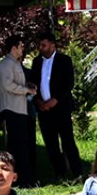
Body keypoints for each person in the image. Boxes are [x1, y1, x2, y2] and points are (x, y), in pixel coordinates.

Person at [32, 33, 82, 178]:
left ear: (52, 45)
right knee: (51, 143)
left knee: (68, 141)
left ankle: (77, 172)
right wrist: (38, 101)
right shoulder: (36, 62)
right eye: (40, 45)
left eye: (44, 45)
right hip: (44, 110)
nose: (41, 48)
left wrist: (55, 99)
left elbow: (69, 83)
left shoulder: (64, 60)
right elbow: (33, 82)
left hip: (61, 108)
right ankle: (59, 173)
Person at [0, 34, 38, 186]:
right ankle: (24, 180)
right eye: (20, 46)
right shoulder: (7, 64)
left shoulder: (14, 63)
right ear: (14, 48)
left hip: (19, 108)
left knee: (20, 144)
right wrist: (26, 90)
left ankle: (21, 178)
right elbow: (8, 85)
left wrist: (28, 87)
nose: (22, 48)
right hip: (12, 108)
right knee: (19, 146)